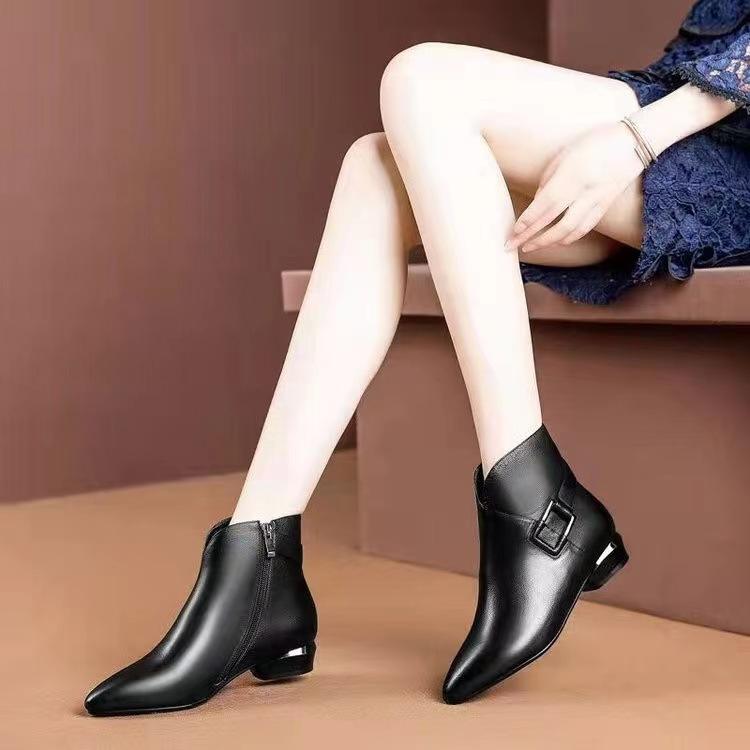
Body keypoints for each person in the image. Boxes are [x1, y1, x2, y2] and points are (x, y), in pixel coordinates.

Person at [84, 0, 750, 715]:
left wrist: (636, 139)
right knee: (374, 166)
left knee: (423, 78)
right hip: (695, 103)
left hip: (714, 132)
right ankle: (259, 558)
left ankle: (536, 502)